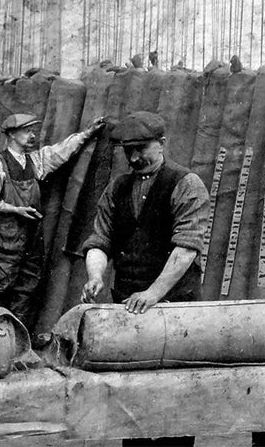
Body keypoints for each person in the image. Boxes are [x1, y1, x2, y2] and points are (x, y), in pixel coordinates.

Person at [79, 112, 209, 447]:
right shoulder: (117, 187)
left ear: (162, 144)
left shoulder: (186, 184)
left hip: (174, 308)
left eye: (141, 148)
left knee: (173, 401)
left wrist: (153, 293)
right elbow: (99, 241)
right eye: (128, 150)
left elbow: (186, 250)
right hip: (128, 307)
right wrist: (96, 275)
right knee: (132, 401)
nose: (134, 157)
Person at [0, 114, 97, 344]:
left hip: (32, 236)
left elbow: (61, 151)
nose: (32, 136)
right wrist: (15, 210)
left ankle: (18, 343)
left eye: (33, 131)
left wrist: (86, 134)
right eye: (27, 131)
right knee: (2, 288)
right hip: (7, 237)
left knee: (27, 288)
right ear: (11, 134)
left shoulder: (35, 160)